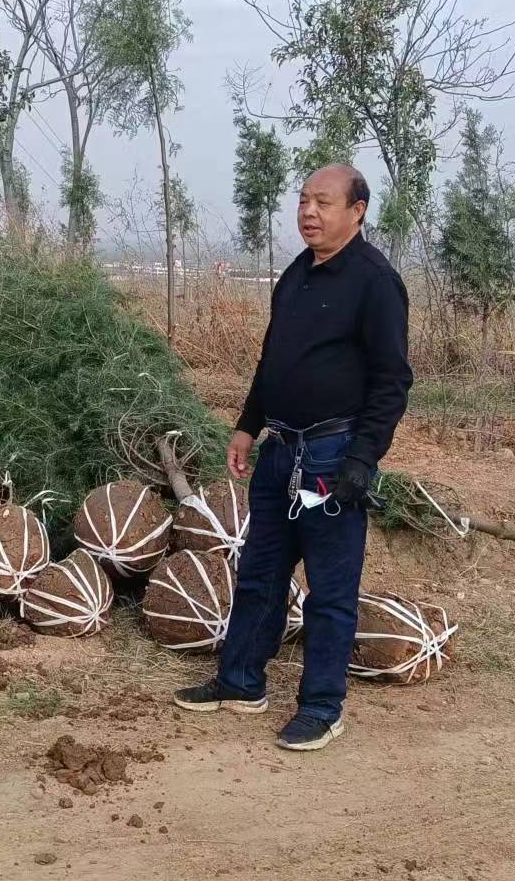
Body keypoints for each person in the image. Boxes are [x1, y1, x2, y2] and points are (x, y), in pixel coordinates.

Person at [173, 164, 412, 750]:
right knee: (259, 573)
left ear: (357, 211)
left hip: (331, 459)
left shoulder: (376, 282)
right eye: (304, 201)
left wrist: (363, 460)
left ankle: (322, 706)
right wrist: (247, 427)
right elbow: (272, 361)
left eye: (323, 202)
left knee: (330, 586)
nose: (309, 212)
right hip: (280, 453)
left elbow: (392, 381)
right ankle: (240, 681)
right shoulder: (296, 276)